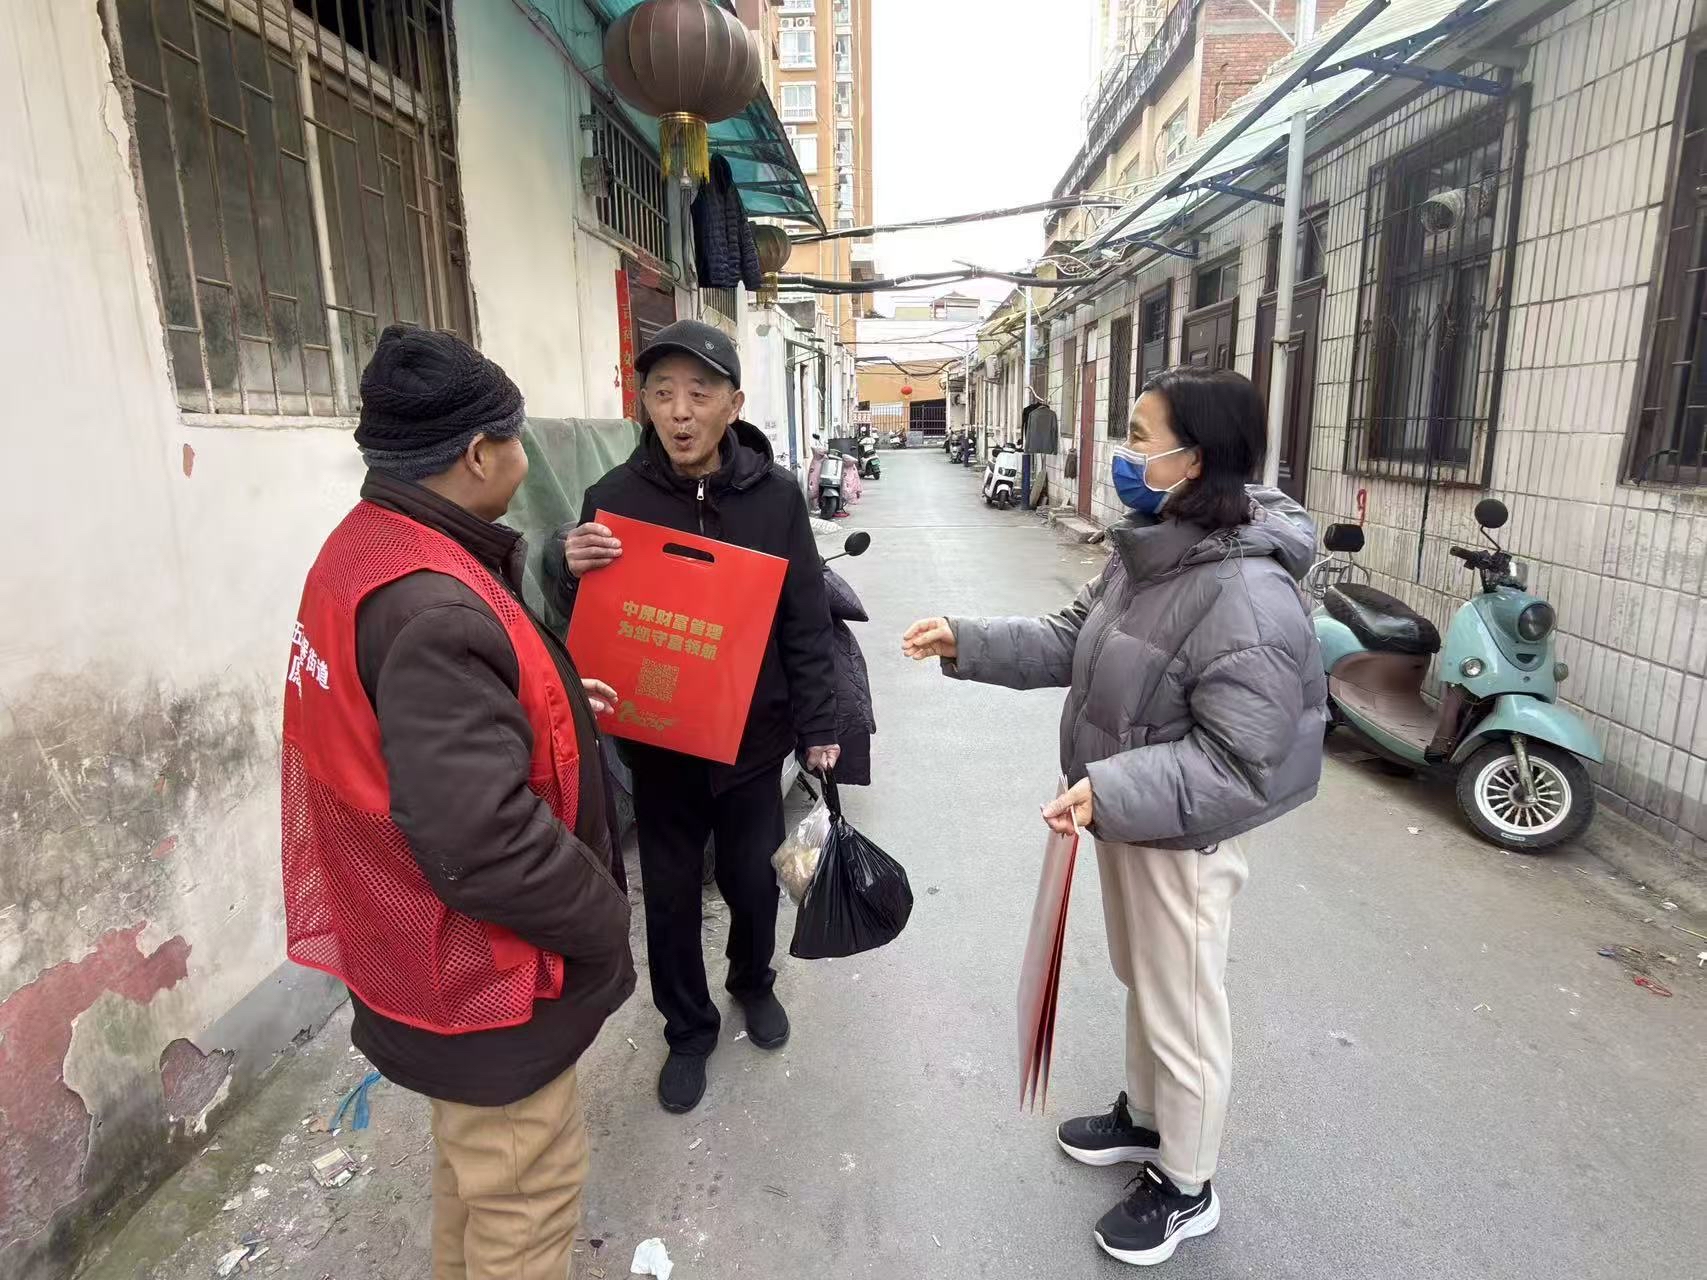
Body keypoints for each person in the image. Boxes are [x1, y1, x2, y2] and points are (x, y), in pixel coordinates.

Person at [903, 366, 1326, 1268]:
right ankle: (1146, 1116)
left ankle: (1187, 1183)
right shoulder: (1156, 547)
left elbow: (1238, 760)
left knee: (1183, 1005)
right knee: (1146, 978)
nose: (1122, 454)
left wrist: (1113, 789)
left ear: (1195, 458)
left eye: (1139, 437)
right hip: (1129, 814)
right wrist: (967, 639)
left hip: (1181, 833)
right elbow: (1073, 637)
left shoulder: (1246, 592)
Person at [280, 325, 634, 1280]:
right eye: (516, 438)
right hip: (482, 975)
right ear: (480, 453)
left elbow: (418, 727)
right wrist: (603, 917)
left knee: (474, 1184)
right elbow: (484, 841)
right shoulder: (433, 601)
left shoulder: (364, 548)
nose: (522, 457)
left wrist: (553, 706)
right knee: (523, 1203)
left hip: (412, 950)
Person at [551, 319, 838, 1115]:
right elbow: (588, 620)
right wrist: (565, 567)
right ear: (643, 403)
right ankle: (686, 1029)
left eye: (699, 394)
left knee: (752, 880)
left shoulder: (775, 499)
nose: (679, 412)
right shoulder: (613, 501)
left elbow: (805, 620)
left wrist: (819, 725)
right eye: (662, 393)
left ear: (732, 404)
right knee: (671, 895)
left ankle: (752, 981)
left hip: (753, 739)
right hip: (660, 747)